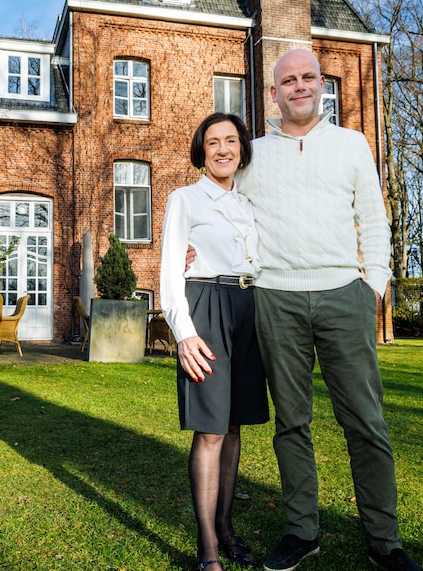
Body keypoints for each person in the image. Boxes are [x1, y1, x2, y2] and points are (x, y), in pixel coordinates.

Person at [237, 49, 422, 571]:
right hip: (277, 300)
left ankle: (384, 541)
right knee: (291, 424)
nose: (298, 86)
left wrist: (374, 286)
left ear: (321, 85)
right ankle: (302, 531)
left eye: (307, 78)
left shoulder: (351, 145)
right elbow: (224, 211)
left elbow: (373, 217)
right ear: (272, 93)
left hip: (346, 295)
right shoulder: (254, 155)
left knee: (365, 422)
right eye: (287, 80)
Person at [161, 113, 270, 571]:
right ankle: (207, 547)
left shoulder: (252, 203)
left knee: (233, 427)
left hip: (251, 307)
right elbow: (169, 269)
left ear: (242, 147)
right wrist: (184, 334)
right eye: (213, 142)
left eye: (230, 141)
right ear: (201, 151)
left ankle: (227, 527)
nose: (223, 149)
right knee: (209, 429)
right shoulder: (184, 198)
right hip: (206, 306)